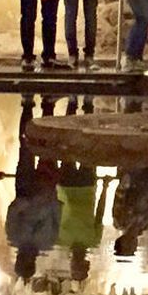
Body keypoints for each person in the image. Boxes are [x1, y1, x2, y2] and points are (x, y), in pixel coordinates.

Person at [7, 95, 61, 279]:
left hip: (25, 189)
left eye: (23, 260)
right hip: (47, 190)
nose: (27, 258)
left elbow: (12, 212)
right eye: (28, 262)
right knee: (49, 148)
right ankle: (48, 108)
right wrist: (51, 198)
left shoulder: (14, 237)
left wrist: (28, 201)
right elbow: (56, 217)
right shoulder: (48, 242)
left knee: (26, 147)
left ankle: (28, 107)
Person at [56, 98, 107, 280]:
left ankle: (72, 105)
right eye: (79, 266)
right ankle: (88, 106)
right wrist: (105, 188)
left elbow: (54, 210)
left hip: (66, 185)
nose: (76, 262)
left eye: (74, 266)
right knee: (88, 146)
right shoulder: (93, 240)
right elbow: (100, 213)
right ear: (86, 263)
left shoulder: (60, 240)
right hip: (86, 186)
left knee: (68, 144)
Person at [112, 167, 148, 257]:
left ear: (120, 241)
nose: (132, 245)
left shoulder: (120, 222)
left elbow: (119, 197)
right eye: (133, 248)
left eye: (127, 247)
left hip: (132, 176)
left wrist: (125, 179)